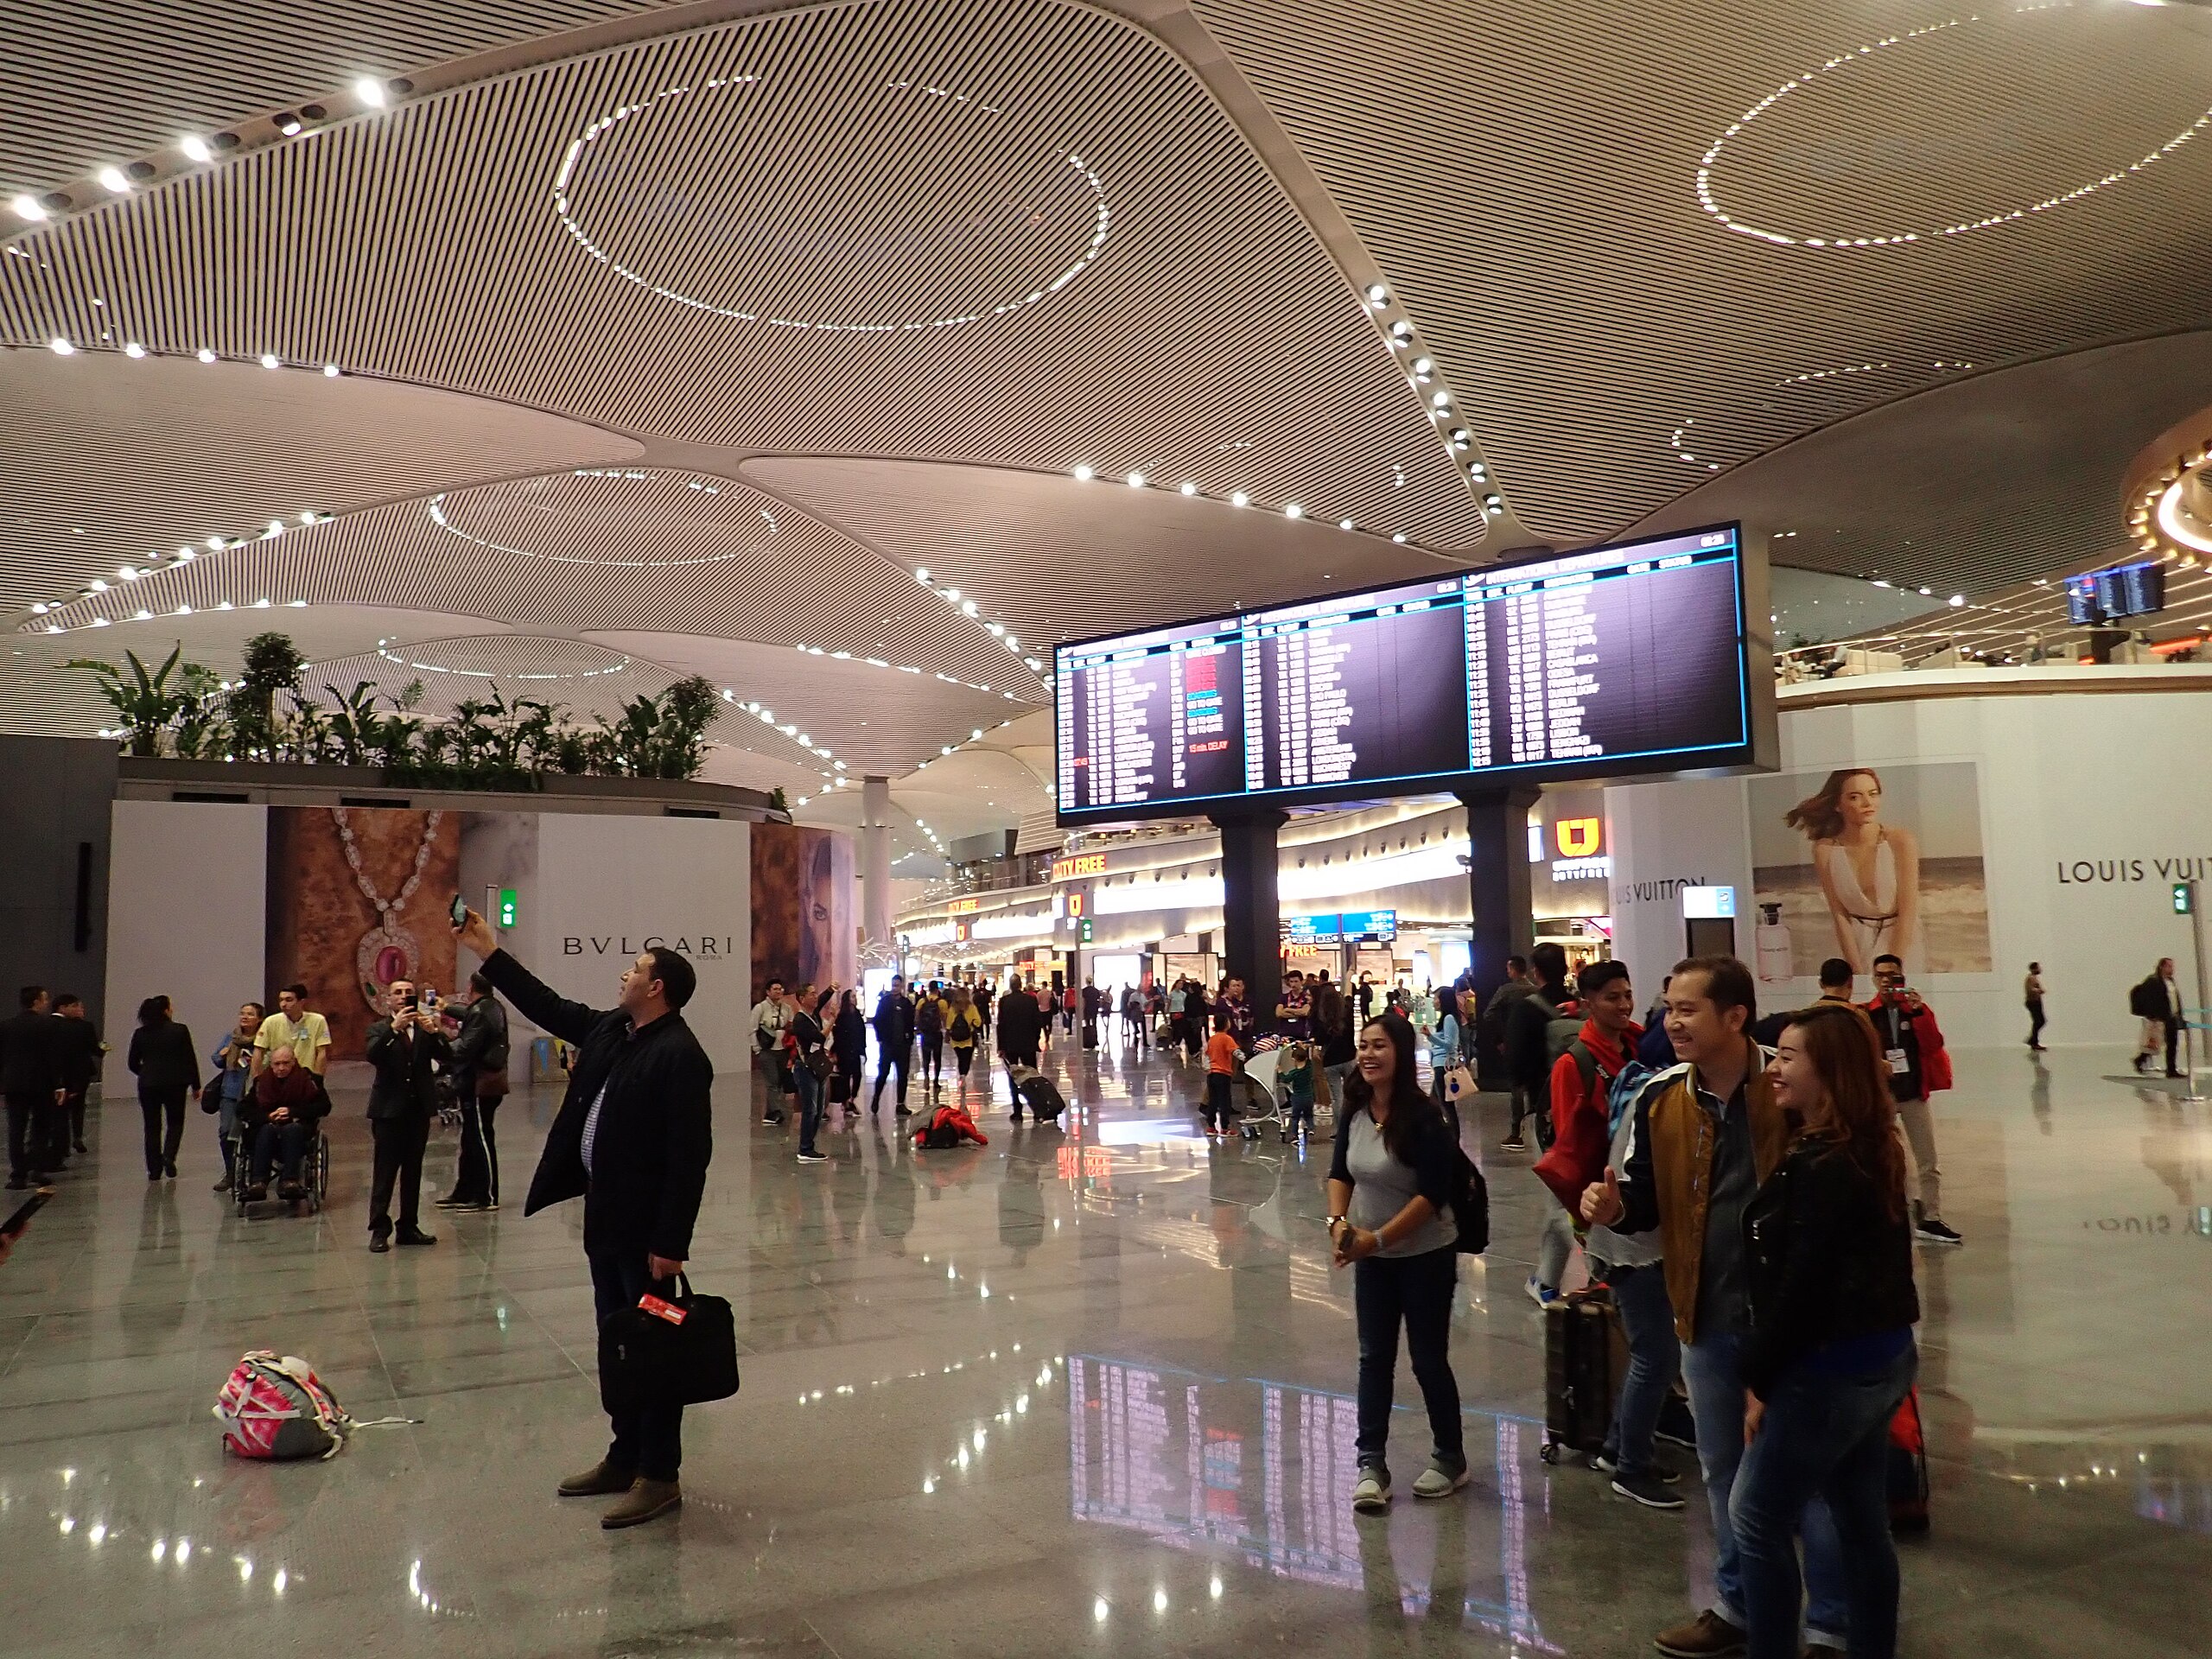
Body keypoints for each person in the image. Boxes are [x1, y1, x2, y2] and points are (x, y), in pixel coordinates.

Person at [1581, 956, 1853, 1659]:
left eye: (1687, 1009)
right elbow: (1642, 1198)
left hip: (1792, 1322)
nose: (1670, 1021)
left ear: (1735, 1017)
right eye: (1668, 1007)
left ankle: (1829, 1625)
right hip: (1703, 1312)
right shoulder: (1662, 1096)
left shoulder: (1789, 1085)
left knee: (1810, 1478)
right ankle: (1738, 1607)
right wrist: (1616, 1206)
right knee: (1722, 1469)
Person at [457, 907, 712, 1530]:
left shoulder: (681, 1055)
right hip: (606, 1223)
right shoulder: (612, 1031)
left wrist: (670, 1244)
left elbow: (689, 1161)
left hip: (649, 1239)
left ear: (657, 989)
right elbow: (547, 1005)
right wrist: (490, 951)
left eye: (635, 969)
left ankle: (660, 1474)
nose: (623, 975)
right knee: (619, 1344)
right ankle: (624, 1455)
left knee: (654, 1352)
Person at [1733, 1001, 1921, 1659]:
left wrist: (1758, 1376)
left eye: (1788, 1057)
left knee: (1755, 1518)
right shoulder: (1861, 1144)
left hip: (1829, 1370)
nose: (1774, 1069)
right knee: (1861, 1521)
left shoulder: (1827, 1165)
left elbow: (1800, 1288)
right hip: (1879, 1357)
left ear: (1830, 1071)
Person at [1532, 962, 1681, 1510]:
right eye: (1612, 997)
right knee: (1651, 1348)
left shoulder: (1642, 1045)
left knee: (1649, 1342)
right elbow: (1573, 1148)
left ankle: (1624, 1442)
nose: (1623, 1005)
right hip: (1609, 1211)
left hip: (1642, 1209)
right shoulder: (1578, 1061)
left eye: (1628, 995)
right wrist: (1586, 1220)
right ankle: (1627, 1456)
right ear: (1587, 1001)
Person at [1325, 1012, 1467, 1515]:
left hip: (1426, 1255)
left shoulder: (1426, 1118)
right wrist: (1338, 1223)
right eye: (1363, 1045)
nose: (1367, 1054)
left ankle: (1450, 1456)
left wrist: (1377, 1239)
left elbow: (1432, 1195)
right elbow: (1340, 1171)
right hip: (1372, 1256)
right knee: (1373, 1358)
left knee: (1427, 1359)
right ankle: (1371, 1463)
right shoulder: (1357, 1112)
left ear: (1403, 1054)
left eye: (1379, 1046)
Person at [1786, 766, 1921, 976]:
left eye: (1873, 794)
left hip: (1902, 942)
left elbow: (1908, 912)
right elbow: (1839, 914)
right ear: (1838, 805)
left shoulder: (1901, 841)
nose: (1868, 803)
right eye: (1855, 797)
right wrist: (1856, 971)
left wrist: (1893, 967)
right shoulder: (1825, 850)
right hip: (1853, 945)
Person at [1865, 954, 1959, 1245]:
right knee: (1886, 1157)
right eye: (1880, 975)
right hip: (1884, 1094)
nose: (1886, 981)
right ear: (1873, 978)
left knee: (1927, 1158)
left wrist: (1919, 1012)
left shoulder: (1915, 1010)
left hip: (1913, 1092)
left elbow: (1933, 1045)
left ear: (1901, 976)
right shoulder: (1868, 1014)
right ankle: (1893, 1214)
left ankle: (1930, 1217)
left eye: (1891, 975)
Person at [364, 978, 451, 1252]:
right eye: (397, 993)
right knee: (385, 1172)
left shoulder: (424, 1030)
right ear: (388, 1000)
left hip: (418, 1110)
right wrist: (394, 1030)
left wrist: (436, 1031)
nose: (403, 997)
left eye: (408, 993)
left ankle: (409, 1226)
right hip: (388, 1111)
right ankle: (379, 1229)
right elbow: (373, 1056)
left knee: (414, 1171)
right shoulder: (379, 1028)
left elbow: (448, 1055)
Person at [437, 972, 511, 1211]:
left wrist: (436, 1043)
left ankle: (486, 1195)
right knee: (470, 1138)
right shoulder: (491, 1007)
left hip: (480, 1084)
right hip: (478, 1083)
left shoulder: (481, 1012)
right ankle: (465, 1190)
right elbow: (471, 1015)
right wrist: (445, 1008)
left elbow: (464, 1047)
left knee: (480, 1137)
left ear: (470, 987)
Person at [1503, 943, 1572, 1153]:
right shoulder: (1579, 1006)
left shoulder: (1526, 1008)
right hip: (1579, 1093)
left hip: (1545, 1096)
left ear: (1536, 971)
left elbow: (1516, 1060)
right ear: (1566, 970)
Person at [239, 1044, 327, 1202]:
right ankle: (258, 1181)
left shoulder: (309, 1080)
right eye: (277, 1064)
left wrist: (293, 1113)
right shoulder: (261, 1082)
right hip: (265, 1131)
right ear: (271, 1064)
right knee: (267, 1129)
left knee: (292, 1129)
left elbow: (324, 1106)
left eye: (286, 1063)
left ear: (294, 1061)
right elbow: (243, 1109)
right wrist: (268, 1117)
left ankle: (290, 1180)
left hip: (298, 1128)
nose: (281, 1068)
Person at [125, 995, 198, 1182]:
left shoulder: (140, 1033)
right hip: (175, 1082)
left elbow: (132, 1062)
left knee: (151, 1127)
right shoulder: (179, 1030)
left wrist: (145, 1073)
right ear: (166, 1010)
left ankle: (153, 1169)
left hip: (148, 1084)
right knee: (175, 1122)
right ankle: (169, 1156)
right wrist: (196, 1084)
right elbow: (189, 1059)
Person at [3, 988, 65, 1189]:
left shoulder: (6, 1026)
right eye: (45, 999)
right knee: (41, 1128)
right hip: (42, 1084)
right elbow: (54, 1057)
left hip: (14, 1084)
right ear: (37, 1001)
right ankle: (38, 1169)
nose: (47, 1003)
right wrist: (59, 1084)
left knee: (16, 1129)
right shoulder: (49, 1026)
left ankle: (18, 1175)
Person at [209, 1002, 264, 1192]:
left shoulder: (263, 1039)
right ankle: (230, 1172)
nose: (245, 1017)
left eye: (250, 1014)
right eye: (242, 1013)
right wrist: (222, 1055)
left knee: (255, 1133)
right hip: (231, 1093)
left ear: (259, 1019)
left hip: (254, 1093)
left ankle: (256, 1171)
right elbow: (216, 1059)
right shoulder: (231, 1037)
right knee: (226, 1132)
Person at [51, 994, 100, 1160]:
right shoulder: (85, 1027)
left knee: (60, 1108)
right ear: (63, 1008)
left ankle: (60, 1142)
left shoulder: (50, 1025)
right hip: (80, 1072)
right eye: (76, 1006)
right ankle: (77, 1136)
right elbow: (95, 1048)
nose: (80, 1009)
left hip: (58, 1073)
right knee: (78, 1106)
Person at [790, 981, 834, 1165]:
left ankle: (810, 1146)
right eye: (811, 994)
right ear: (802, 998)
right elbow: (819, 1037)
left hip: (817, 1068)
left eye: (815, 993)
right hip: (806, 1068)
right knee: (810, 1109)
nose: (815, 997)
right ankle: (805, 1148)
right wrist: (832, 1020)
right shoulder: (800, 1020)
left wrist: (831, 989)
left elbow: (822, 1000)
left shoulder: (812, 1014)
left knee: (817, 1109)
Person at [251, 983, 331, 1080]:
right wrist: (257, 1079)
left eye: (289, 1000)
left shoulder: (318, 1020)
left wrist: (318, 1079)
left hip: (306, 1077)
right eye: (281, 1000)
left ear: (302, 1002)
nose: (283, 1004)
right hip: (278, 1076)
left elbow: (322, 1052)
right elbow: (258, 1051)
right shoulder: (271, 1021)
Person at [1480, 955, 1535, 1082]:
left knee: (1516, 1085)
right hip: (1533, 1040)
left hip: (1511, 1040)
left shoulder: (1506, 990)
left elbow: (1488, 1014)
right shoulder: (1535, 990)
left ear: (1512, 969)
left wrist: (1499, 1039)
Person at [870, 975, 917, 1116]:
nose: (895, 988)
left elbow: (910, 1022)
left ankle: (900, 1103)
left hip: (902, 1045)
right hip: (888, 1045)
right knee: (883, 1073)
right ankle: (876, 1096)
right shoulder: (885, 1002)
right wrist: (881, 1038)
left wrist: (909, 1040)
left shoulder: (906, 1003)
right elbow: (877, 1020)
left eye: (897, 985)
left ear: (902, 986)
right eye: (893, 985)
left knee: (903, 1075)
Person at [997, 976, 1043, 1116]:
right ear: (1020, 985)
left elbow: (1001, 1025)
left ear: (1010, 986)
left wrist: (1001, 1046)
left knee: (1013, 1075)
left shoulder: (1004, 1001)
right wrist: (1036, 1040)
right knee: (1032, 1074)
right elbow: (1037, 1022)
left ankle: (1017, 1108)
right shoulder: (1030, 1000)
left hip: (1011, 1044)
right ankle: (1037, 1107)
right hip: (1028, 1043)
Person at [750, 980, 793, 1125]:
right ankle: (776, 1111)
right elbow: (752, 1029)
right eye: (775, 989)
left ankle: (771, 1113)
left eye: (780, 989)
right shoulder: (760, 1008)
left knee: (779, 1081)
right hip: (767, 1051)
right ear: (768, 992)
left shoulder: (787, 1008)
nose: (778, 991)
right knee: (772, 1081)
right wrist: (757, 1049)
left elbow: (791, 1027)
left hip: (783, 1050)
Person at [2132, 957, 2183, 1078]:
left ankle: (2171, 1069)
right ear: (2162, 967)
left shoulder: (2171, 981)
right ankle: (2140, 1060)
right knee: (2154, 1043)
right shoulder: (2153, 981)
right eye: (2169, 966)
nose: (2172, 969)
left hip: (2171, 1017)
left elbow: (2175, 999)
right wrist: (2152, 1014)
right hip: (2159, 1018)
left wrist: (2179, 1015)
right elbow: (2147, 998)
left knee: (2172, 1043)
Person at [1426, 987, 1465, 1124]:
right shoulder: (1447, 1018)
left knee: (1447, 1105)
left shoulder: (1448, 1019)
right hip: (1441, 1064)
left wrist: (1430, 1037)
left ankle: (1453, 1140)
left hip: (1443, 1066)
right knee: (1435, 1103)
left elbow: (1449, 1044)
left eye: (1436, 998)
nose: (1434, 1002)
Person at [831, 988, 868, 1109]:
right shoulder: (842, 1016)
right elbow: (838, 1035)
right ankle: (845, 1101)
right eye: (852, 996)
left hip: (856, 1049)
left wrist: (863, 1049)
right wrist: (835, 1052)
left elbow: (861, 1031)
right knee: (845, 1076)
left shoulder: (856, 1014)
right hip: (844, 1050)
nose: (855, 999)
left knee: (858, 1075)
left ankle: (852, 1098)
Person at [1202, 1022, 1239, 1136]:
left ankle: (1211, 1127)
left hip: (1212, 1073)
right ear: (1226, 1025)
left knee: (1213, 1100)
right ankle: (1225, 1128)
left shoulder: (1212, 1039)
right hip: (1223, 1073)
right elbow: (1236, 1052)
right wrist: (1247, 1057)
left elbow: (1207, 1053)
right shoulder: (1227, 1038)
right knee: (1225, 1101)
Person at [947, 986, 984, 1095]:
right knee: (966, 1059)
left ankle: (961, 1075)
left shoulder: (953, 1008)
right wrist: (972, 1023)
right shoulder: (971, 1007)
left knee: (960, 1058)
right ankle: (964, 1076)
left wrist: (948, 1033)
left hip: (956, 1039)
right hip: (968, 1038)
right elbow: (978, 1022)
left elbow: (949, 1023)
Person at [1276, 1040, 1316, 1142]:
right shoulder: (1309, 1069)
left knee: (1295, 1117)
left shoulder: (1294, 1073)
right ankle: (1311, 1129)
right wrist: (1303, 1048)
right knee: (1309, 1115)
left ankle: (1294, 1135)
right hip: (1309, 1097)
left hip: (1297, 1098)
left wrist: (1280, 1071)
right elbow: (1308, 1061)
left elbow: (1285, 1079)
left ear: (1294, 1059)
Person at [914, 982, 947, 1093]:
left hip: (926, 1033)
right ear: (937, 990)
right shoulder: (942, 1002)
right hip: (937, 1033)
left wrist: (918, 1028)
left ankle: (926, 1076)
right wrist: (946, 1030)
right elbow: (944, 1018)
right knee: (937, 1058)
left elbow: (917, 1017)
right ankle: (936, 1080)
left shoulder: (922, 1001)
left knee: (926, 1057)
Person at [2023, 962, 2047, 1051]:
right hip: (2033, 1002)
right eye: (2038, 968)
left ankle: (2033, 1041)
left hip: (2036, 1002)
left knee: (2039, 1021)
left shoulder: (2034, 978)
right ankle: (2033, 1041)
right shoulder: (2030, 978)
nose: (2040, 969)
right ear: (2034, 969)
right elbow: (2030, 989)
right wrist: (2039, 990)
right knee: (2039, 1021)